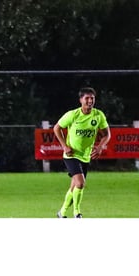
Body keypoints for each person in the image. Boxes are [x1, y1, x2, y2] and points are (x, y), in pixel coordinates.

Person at [53, 87, 111, 218]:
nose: (90, 101)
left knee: (74, 187)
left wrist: (100, 146)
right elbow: (57, 128)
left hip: (86, 156)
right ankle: (76, 213)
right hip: (71, 155)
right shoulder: (73, 115)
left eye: (92, 98)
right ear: (80, 100)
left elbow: (107, 134)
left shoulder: (98, 115)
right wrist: (64, 146)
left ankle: (61, 212)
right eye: (87, 98)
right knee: (80, 183)